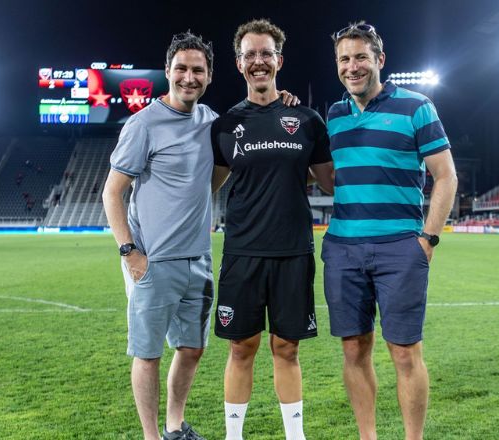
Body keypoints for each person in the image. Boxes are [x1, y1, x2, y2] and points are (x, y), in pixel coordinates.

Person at [323, 22, 457, 440]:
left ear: (380, 60)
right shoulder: (334, 115)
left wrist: (428, 239)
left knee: (404, 353)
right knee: (353, 350)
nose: (352, 66)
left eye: (361, 57)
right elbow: (331, 178)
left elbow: (446, 176)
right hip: (343, 248)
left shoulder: (416, 106)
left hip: (400, 247)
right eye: (344, 59)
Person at [210, 19, 334, 440]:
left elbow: (330, 182)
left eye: (266, 53)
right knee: (241, 348)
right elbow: (208, 185)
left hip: (293, 252)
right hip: (242, 253)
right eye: (250, 54)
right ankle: (234, 436)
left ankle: (295, 436)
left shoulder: (307, 119)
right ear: (239, 63)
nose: (258, 61)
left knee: (287, 348)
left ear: (279, 60)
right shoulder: (225, 125)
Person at [102, 31, 217, 440]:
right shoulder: (144, 124)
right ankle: (152, 436)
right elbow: (112, 192)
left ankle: (174, 426)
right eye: (181, 68)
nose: (189, 77)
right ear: (167, 71)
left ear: (209, 75)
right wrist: (130, 252)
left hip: (199, 259)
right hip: (153, 261)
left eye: (197, 70)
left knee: (193, 349)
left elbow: (212, 178)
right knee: (147, 354)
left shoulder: (211, 122)